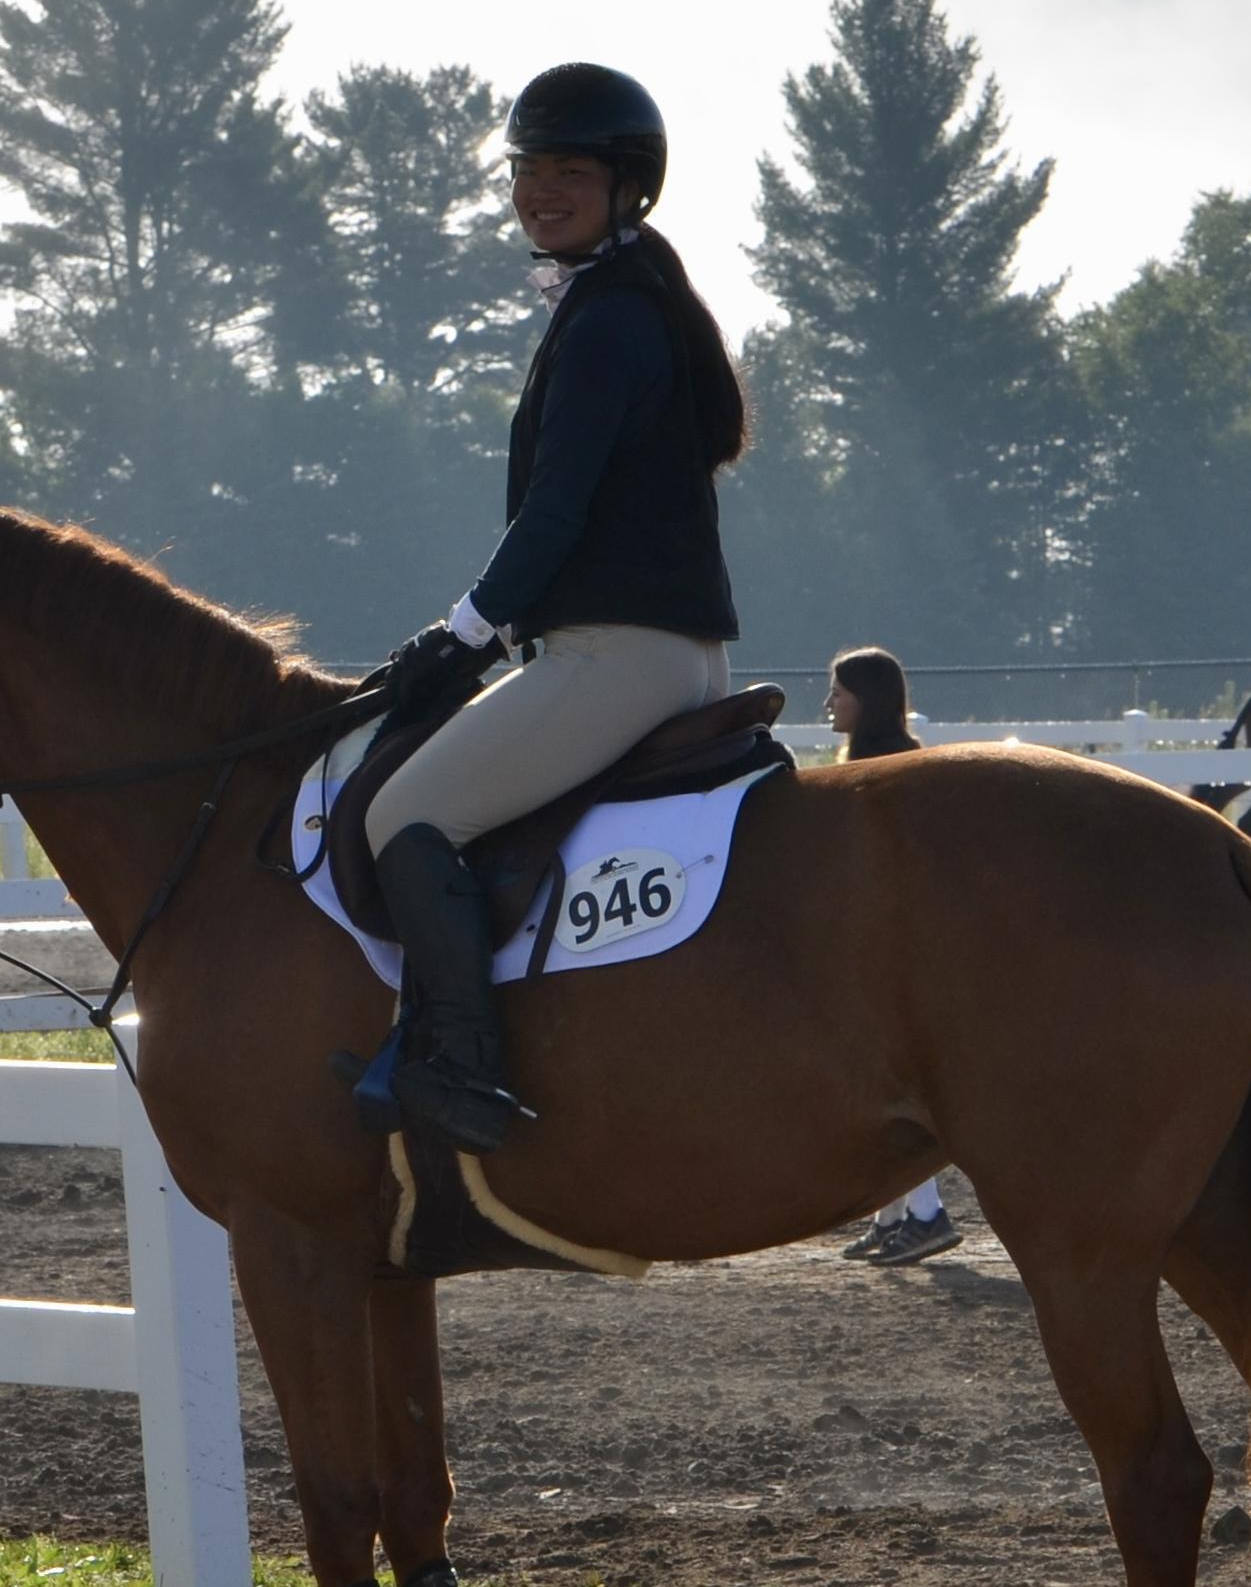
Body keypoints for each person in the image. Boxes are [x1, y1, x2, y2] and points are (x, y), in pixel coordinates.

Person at [349, 64, 751, 1152]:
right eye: (528, 168)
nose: (540, 189)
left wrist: (461, 634)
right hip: (668, 650)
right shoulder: (633, 302)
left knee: (402, 816)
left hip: (615, 650)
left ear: (629, 186)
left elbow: (555, 514)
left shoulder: (612, 320)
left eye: (569, 169)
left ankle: (462, 1066)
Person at [820, 649, 962, 1265]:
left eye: (838, 691)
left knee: (897, 1079)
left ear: (865, 699)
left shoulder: (881, 766)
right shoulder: (895, 756)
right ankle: (894, 1216)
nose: (828, 702)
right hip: (901, 939)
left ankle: (927, 1214)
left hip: (896, 944)